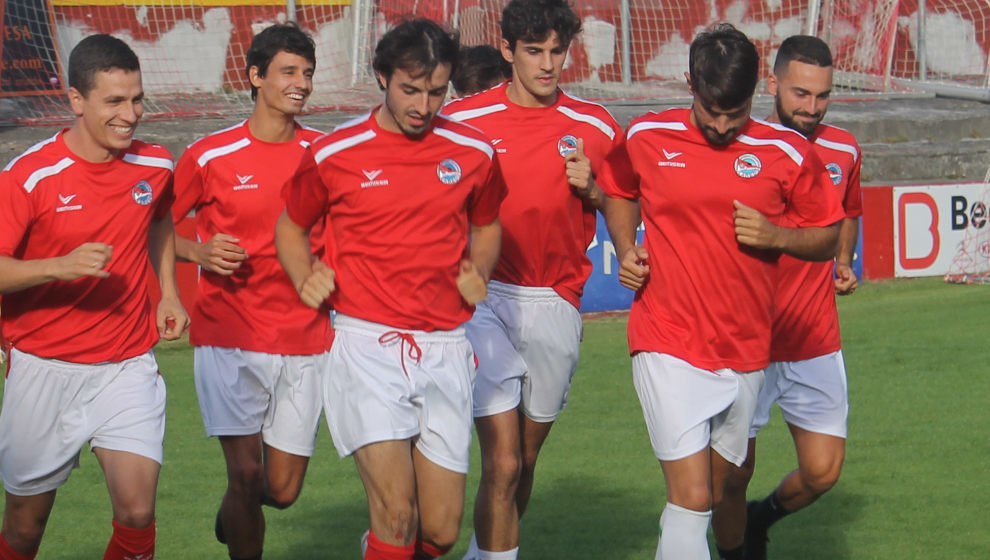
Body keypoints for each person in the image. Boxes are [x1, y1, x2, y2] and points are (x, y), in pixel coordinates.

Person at [598, 23, 845, 560]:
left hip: (747, 351)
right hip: (667, 340)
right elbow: (616, 189)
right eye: (713, 111)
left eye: (735, 114)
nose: (722, 125)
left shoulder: (787, 151)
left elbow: (828, 233)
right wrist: (625, 244)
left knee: (725, 486)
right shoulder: (646, 136)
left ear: (754, 95)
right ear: (690, 84)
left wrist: (778, 236)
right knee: (690, 497)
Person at [275, 18, 505, 560]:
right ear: (382, 77)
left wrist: (482, 270)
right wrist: (304, 274)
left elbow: (489, 223)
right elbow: (290, 226)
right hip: (366, 347)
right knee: (398, 515)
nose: (424, 104)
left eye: (436, 90)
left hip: (446, 348)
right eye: (410, 89)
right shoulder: (337, 152)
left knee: (441, 532)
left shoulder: (474, 151)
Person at [443, 1, 621, 558]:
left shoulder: (596, 127)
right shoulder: (465, 123)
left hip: (557, 300)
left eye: (557, 52)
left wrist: (593, 191)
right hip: (484, 299)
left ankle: (483, 551)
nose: (547, 64)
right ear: (507, 50)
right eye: (534, 51)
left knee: (525, 458)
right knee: (503, 459)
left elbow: (625, 201)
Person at [0, 34, 188, 560]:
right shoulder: (28, 176)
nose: (130, 114)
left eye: (137, 99)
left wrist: (168, 293)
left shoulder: (155, 165)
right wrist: (57, 267)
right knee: (23, 530)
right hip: (43, 369)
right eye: (114, 101)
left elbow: (160, 220)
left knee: (136, 512)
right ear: (76, 101)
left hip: (126, 366)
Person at [170, 23, 331, 560]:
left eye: (307, 73)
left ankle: (235, 510)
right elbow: (149, 227)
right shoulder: (209, 154)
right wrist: (197, 252)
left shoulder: (327, 154)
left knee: (280, 490)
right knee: (244, 472)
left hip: (306, 337)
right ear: (256, 76)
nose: (301, 83)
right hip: (228, 334)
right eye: (289, 71)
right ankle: (240, 503)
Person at [710, 35, 862, 560]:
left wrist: (843, 260)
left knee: (823, 470)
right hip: (746, 339)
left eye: (822, 96)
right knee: (731, 475)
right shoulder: (737, 146)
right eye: (801, 94)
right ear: (772, 84)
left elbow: (848, 211)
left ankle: (761, 518)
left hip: (814, 336)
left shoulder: (843, 149)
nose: (811, 108)